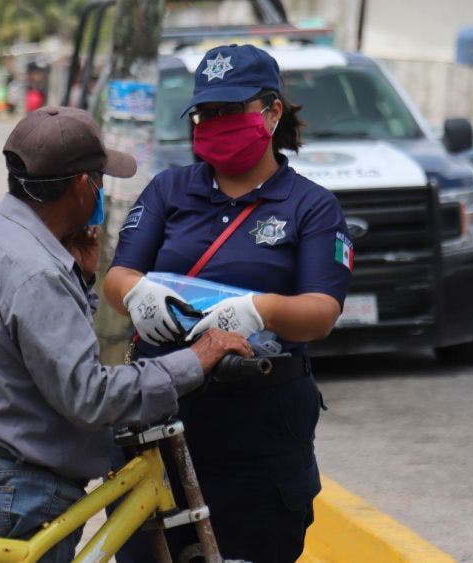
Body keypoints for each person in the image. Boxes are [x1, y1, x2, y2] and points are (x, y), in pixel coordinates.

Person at [0, 106, 254, 562]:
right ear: (79, 185)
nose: (102, 191)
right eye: (100, 179)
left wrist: (83, 281)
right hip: (22, 493)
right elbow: (89, 394)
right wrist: (196, 359)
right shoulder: (37, 271)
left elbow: (41, 345)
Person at [103, 44, 353, 562]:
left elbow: (323, 310)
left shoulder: (311, 206)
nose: (215, 122)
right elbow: (119, 273)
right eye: (205, 113)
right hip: (162, 416)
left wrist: (263, 310)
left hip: (259, 428)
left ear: (272, 111)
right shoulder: (169, 189)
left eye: (229, 110)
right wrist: (136, 293)